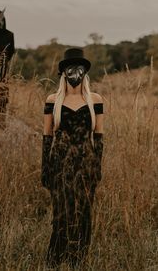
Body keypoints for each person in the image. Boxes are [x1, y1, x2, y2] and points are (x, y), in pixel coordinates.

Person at [41, 47, 104, 268]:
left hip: (86, 164)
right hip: (60, 163)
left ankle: (79, 260)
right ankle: (55, 260)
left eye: (79, 68)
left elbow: (99, 137)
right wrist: (45, 169)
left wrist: (97, 167)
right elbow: (47, 138)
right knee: (61, 213)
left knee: (84, 213)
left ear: (85, 72)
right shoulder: (53, 100)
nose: (74, 73)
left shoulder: (95, 99)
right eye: (70, 68)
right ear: (63, 72)